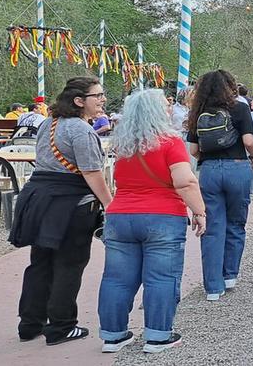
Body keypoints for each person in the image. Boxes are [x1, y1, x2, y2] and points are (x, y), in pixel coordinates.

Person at [97, 89, 206, 354]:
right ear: (157, 112)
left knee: (116, 278)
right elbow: (185, 180)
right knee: (161, 277)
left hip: (120, 215)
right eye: (165, 105)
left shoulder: (123, 145)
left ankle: (113, 336)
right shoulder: (169, 142)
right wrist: (200, 211)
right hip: (163, 216)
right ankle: (157, 335)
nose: (169, 108)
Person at [9, 76, 114, 345]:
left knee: (40, 262)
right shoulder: (81, 130)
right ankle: (61, 326)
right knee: (69, 263)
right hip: (69, 203)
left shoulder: (49, 123)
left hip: (39, 198)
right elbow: (92, 173)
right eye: (98, 96)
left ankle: (30, 323)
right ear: (79, 101)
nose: (102, 100)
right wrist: (110, 206)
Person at [186, 70, 253, 300]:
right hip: (237, 167)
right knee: (236, 223)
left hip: (209, 171)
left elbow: (193, 150)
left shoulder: (198, 111)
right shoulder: (240, 108)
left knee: (212, 226)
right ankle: (230, 275)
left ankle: (213, 288)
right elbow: (248, 141)